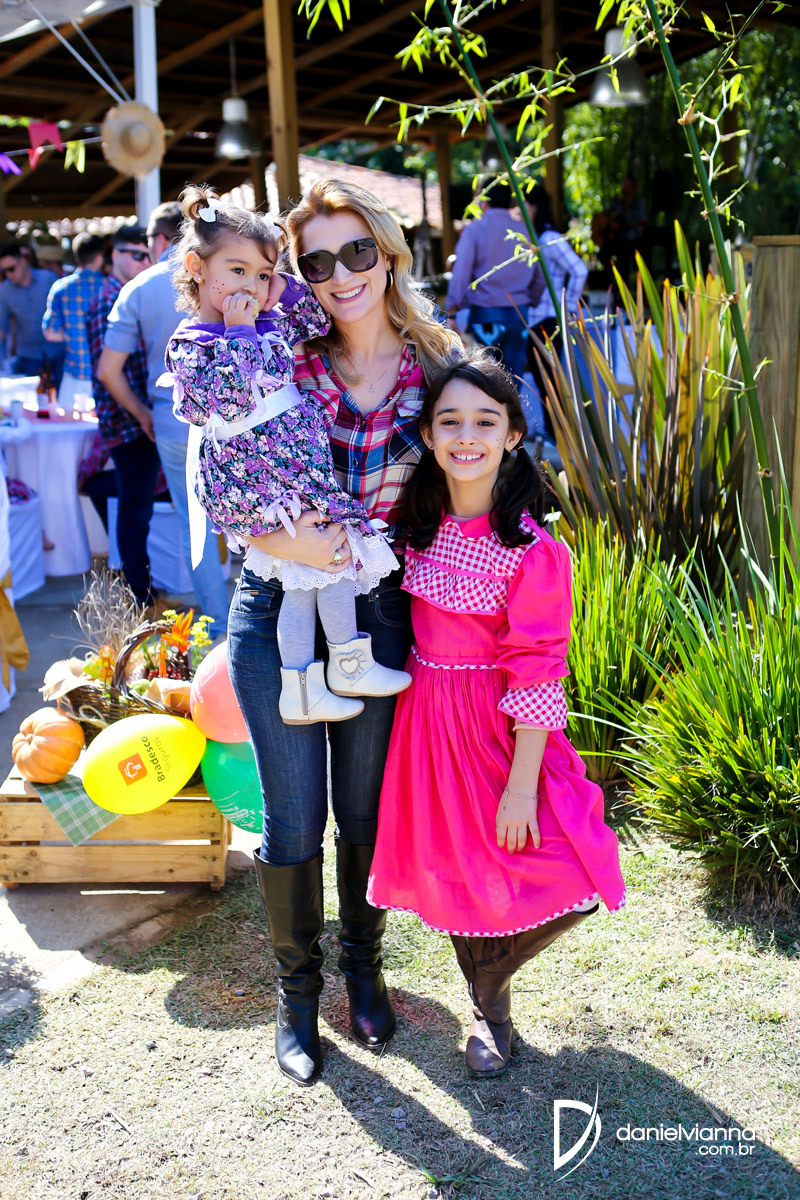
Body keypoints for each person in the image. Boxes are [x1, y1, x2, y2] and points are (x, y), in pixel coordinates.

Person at [226, 178, 461, 1086]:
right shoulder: (278, 355)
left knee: (363, 810)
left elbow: (475, 474)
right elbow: (219, 476)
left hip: (376, 612)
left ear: (388, 252)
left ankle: (365, 971)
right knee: (293, 815)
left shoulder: (438, 366)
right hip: (275, 607)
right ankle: (297, 999)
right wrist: (292, 542)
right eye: (316, 261)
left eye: (356, 251)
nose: (339, 274)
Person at [368, 352, 626, 1079]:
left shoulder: (533, 551)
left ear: (512, 434)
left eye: (486, 421)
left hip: (500, 728)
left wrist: (521, 785)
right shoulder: (410, 527)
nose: (467, 436)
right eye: (449, 421)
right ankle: (492, 1012)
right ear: (428, 433)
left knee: (576, 864)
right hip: (425, 723)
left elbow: (539, 671)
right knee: (456, 866)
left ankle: (491, 975)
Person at [165, 185, 410, 724]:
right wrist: (238, 330)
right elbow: (230, 397)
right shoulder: (192, 343)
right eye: (236, 270)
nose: (249, 286)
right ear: (196, 268)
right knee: (314, 559)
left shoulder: (267, 320)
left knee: (325, 563)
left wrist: (281, 283)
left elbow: (316, 320)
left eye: (260, 274)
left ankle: (330, 670)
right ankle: (320, 676)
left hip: (292, 470)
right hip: (256, 482)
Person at [97, 201, 229, 638]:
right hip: (238, 417)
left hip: (173, 421)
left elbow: (107, 371)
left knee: (197, 527)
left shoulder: (140, 286)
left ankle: (221, 627)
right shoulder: (226, 273)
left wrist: (142, 414)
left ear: (156, 240)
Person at [86, 223, 161, 605]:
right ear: (114, 255)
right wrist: (144, 414)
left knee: (136, 506)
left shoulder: (123, 294)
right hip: (129, 422)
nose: (144, 262)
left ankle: (141, 592)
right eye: (135, 255)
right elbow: (109, 372)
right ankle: (141, 600)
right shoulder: (110, 299)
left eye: (146, 255)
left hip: (131, 420)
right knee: (135, 512)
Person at [444, 177, 544, 384]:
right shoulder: (526, 230)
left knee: (485, 381)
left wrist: (452, 308)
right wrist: (531, 299)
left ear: (483, 200)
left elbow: (461, 273)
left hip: (485, 313)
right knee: (514, 381)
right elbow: (541, 276)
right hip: (519, 313)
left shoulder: (475, 229)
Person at [525, 183, 588, 438]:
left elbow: (579, 270)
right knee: (545, 381)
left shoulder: (549, 239)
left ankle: (559, 435)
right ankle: (556, 434)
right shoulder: (539, 238)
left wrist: (568, 305)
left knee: (549, 381)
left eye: (522, 205)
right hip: (539, 319)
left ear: (533, 206)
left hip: (548, 319)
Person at [42, 232, 105, 409]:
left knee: (67, 424)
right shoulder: (111, 287)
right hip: (105, 377)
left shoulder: (61, 288)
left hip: (73, 375)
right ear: (99, 257)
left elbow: (50, 333)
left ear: (77, 256)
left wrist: (72, 334)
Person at [0, 241, 64, 382]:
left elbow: (65, 312)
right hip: (29, 357)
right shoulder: (4, 291)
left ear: (23, 261)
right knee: (31, 396)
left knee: (62, 394)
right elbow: (1, 327)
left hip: (57, 352)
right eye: (4, 271)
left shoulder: (49, 279)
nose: (8, 274)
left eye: (11, 268)